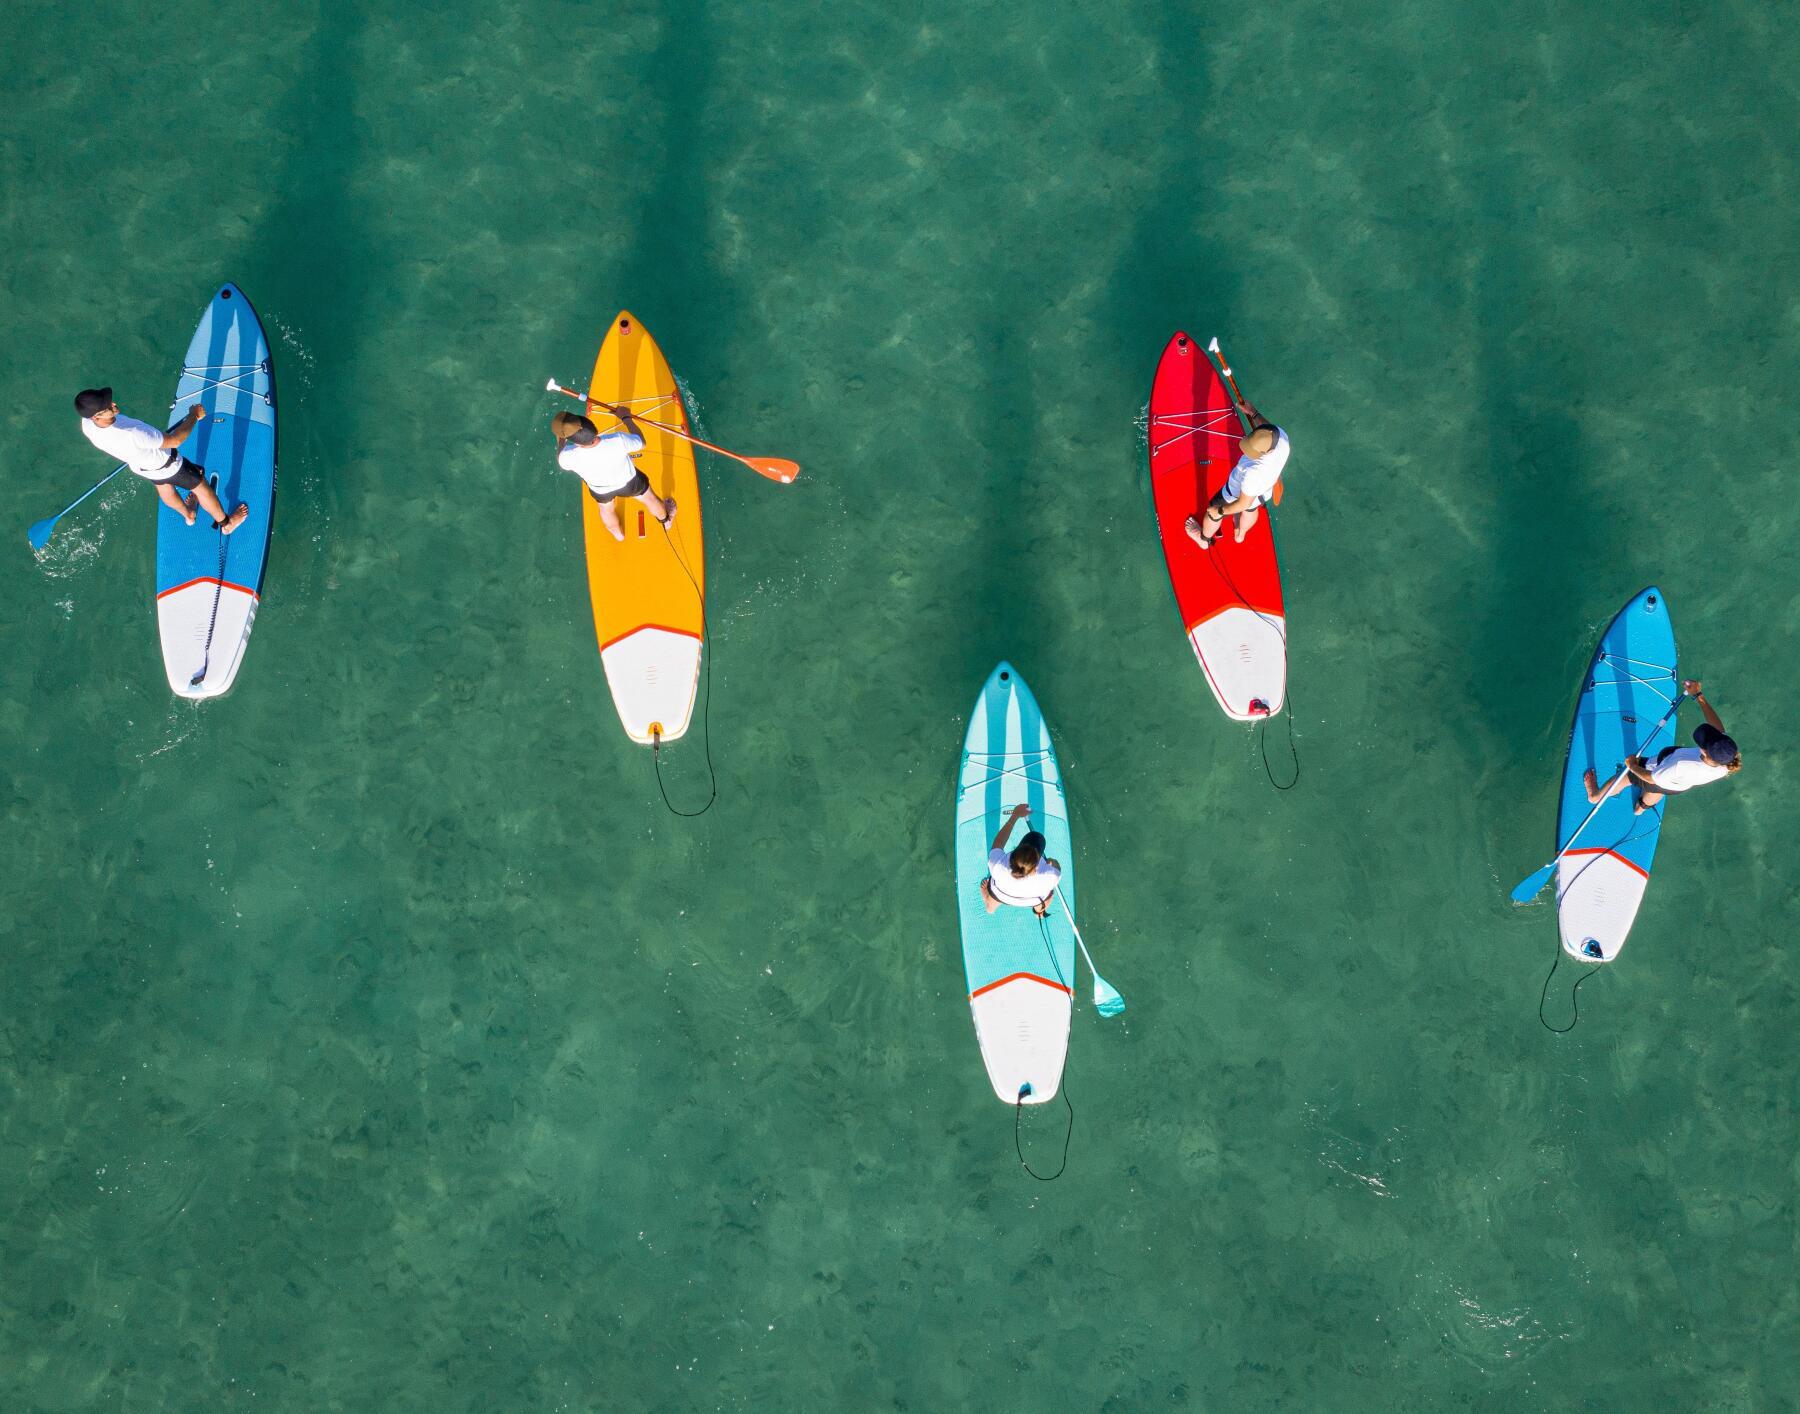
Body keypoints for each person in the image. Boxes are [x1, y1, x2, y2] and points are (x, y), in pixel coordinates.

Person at [74, 387, 248, 532]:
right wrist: (193, 415)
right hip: (169, 465)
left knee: (165, 489)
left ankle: (189, 515)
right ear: (96, 416)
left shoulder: (87, 424)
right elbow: (176, 440)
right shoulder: (134, 432)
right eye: (107, 407)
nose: (113, 404)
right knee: (202, 487)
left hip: (142, 466)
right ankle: (227, 524)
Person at [1585, 679, 1741, 815]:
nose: (1714, 733)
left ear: (1705, 753)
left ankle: (1595, 796)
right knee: (1659, 788)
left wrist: (1632, 766)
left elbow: (1651, 778)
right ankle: (1640, 809)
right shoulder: (1727, 758)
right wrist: (1698, 695)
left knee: (1632, 778)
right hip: (1677, 785)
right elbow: (1719, 729)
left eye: (1704, 741)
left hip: (1658, 774)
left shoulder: (1681, 766)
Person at [553, 407, 674, 543]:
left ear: (575, 442)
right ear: (593, 427)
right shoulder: (618, 439)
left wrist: (561, 439)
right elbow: (641, 442)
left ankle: (618, 535)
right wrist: (626, 418)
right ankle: (666, 520)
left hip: (600, 490)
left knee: (606, 510)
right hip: (629, 482)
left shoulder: (567, 456)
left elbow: (560, 455)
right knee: (649, 499)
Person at [1185, 396, 1289, 550]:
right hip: (1265, 490)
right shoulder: (1281, 437)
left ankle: (1204, 539)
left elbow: (1243, 502)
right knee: (1252, 508)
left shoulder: (1254, 473)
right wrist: (1253, 412)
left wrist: (1219, 511)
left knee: (1214, 510)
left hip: (1238, 492)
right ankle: (1240, 534)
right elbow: (1268, 428)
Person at [978, 803, 1062, 917]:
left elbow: (999, 842)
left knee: (992, 900)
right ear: (1036, 862)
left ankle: (989, 905)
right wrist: (1051, 862)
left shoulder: (998, 865)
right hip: (1032, 900)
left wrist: (1015, 816)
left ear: (1016, 851)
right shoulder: (1050, 875)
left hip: (1002, 894)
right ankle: (1039, 912)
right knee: (1050, 893)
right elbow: (1057, 866)